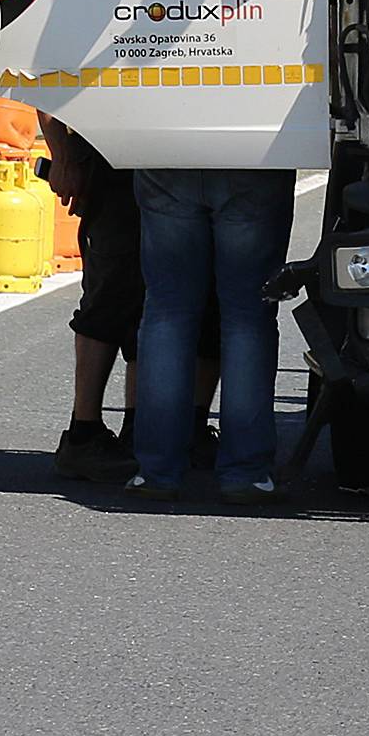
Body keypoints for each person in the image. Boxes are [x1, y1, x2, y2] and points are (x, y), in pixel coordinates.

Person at [42, 117, 218, 475]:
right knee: (113, 293)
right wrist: (62, 155)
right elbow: (46, 73)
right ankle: (84, 432)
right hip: (116, 158)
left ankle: (166, 429)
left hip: (200, 152)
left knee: (203, 295)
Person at [127, 165, 297, 507]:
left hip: (166, 150)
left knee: (167, 311)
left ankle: (157, 469)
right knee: (249, 316)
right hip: (255, 155)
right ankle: (246, 471)